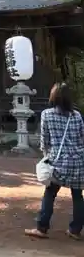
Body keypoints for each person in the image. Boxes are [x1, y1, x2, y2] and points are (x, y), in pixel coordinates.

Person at [25, 82, 84, 240]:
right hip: (78, 161)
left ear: (53, 96)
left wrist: (46, 157)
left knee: (50, 193)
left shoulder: (47, 114)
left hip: (58, 161)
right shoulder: (76, 115)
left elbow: (45, 141)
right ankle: (75, 230)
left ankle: (42, 228)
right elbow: (81, 138)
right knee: (78, 196)